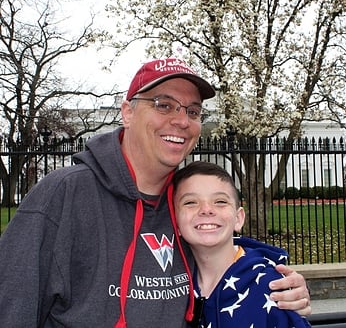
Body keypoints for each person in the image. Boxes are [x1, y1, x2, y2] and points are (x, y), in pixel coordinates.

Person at [0, 58, 310, 327]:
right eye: (163, 105)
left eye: (192, 111)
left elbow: (221, 254)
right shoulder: (63, 195)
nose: (181, 120)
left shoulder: (185, 205)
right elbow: (12, 309)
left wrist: (279, 284)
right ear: (128, 112)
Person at [173, 161, 311, 327]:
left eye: (220, 201)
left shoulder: (272, 287)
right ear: (176, 223)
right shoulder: (171, 286)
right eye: (190, 202)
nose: (206, 209)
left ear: (238, 219)